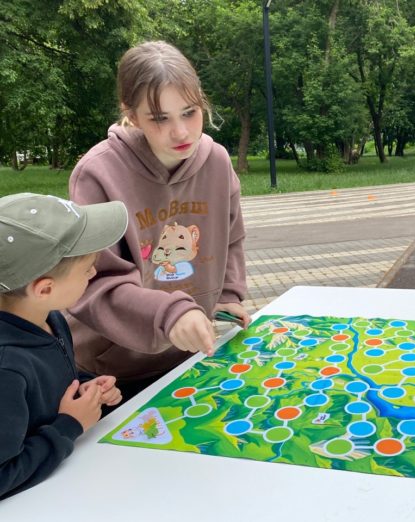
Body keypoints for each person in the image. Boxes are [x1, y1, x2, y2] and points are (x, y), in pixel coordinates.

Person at [66, 41, 251, 405]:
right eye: (160, 118)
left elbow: (231, 239)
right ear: (131, 114)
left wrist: (227, 297)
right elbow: (91, 283)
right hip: (114, 373)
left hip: (191, 356)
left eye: (189, 112)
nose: (181, 132)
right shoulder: (97, 173)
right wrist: (169, 314)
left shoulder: (217, 161)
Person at [0, 193, 128, 499]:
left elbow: (44, 386)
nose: (94, 273)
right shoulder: (7, 367)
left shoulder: (49, 318)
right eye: (87, 269)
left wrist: (84, 388)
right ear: (45, 289)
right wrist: (69, 424)